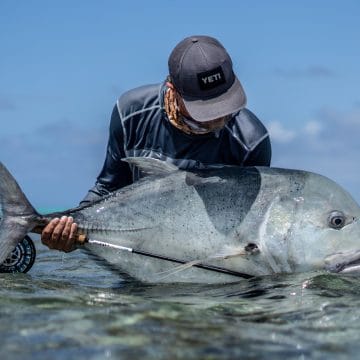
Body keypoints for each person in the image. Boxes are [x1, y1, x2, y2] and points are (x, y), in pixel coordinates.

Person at [41, 35, 272, 253]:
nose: (220, 118)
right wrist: (70, 228)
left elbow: (251, 225)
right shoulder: (130, 113)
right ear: (173, 91)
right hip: (140, 254)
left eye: (225, 103)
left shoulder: (251, 141)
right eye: (207, 109)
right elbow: (108, 188)